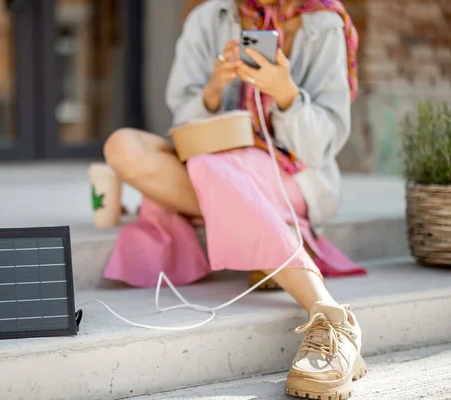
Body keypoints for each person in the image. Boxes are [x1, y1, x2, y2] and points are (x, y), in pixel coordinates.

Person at [103, 0, 368, 398]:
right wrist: (212, 91)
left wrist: (287, 95)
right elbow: (184, 122)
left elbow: (322, 147)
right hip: (216, 162)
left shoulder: (325, 24)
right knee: (123, 145)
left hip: (291, 175)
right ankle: (253, 232)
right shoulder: (208, 18)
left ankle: (330, 314)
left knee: (214, 165)